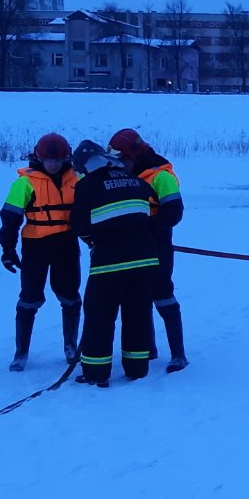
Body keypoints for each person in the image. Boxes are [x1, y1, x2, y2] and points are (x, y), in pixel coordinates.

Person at [68, 138, 161, 387]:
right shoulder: (137, 181)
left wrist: (93, 240)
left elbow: (79, 225)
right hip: (145, 261)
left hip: (109, 263)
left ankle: (96, 372)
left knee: (99, 315)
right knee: (138, 314)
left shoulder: (87, 185)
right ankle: (137, 368)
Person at [0, 132, 81, 371]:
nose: (53, 164)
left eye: (58, 160)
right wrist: (8, 248)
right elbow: (10, 218)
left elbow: (89, 212)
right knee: (29, 299)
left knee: (70, 297)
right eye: (48, 160)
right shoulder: (25, 182)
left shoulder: (77, 178)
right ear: (38, 158)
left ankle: (70, 346)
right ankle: (21, 353)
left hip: (66, 244)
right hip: (36, 246)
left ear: (67, 158)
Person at [108, 127, 188, 371]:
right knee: (137, 297)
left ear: (135, 155)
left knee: (162, 295)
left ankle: (178, 354)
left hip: (157, 245)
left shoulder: (161, 176)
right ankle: (148, 348)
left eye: (122, 159)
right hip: (130, 246)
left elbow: (174, 213)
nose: (118, 164)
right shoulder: (122, 174)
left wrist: (144, 227)